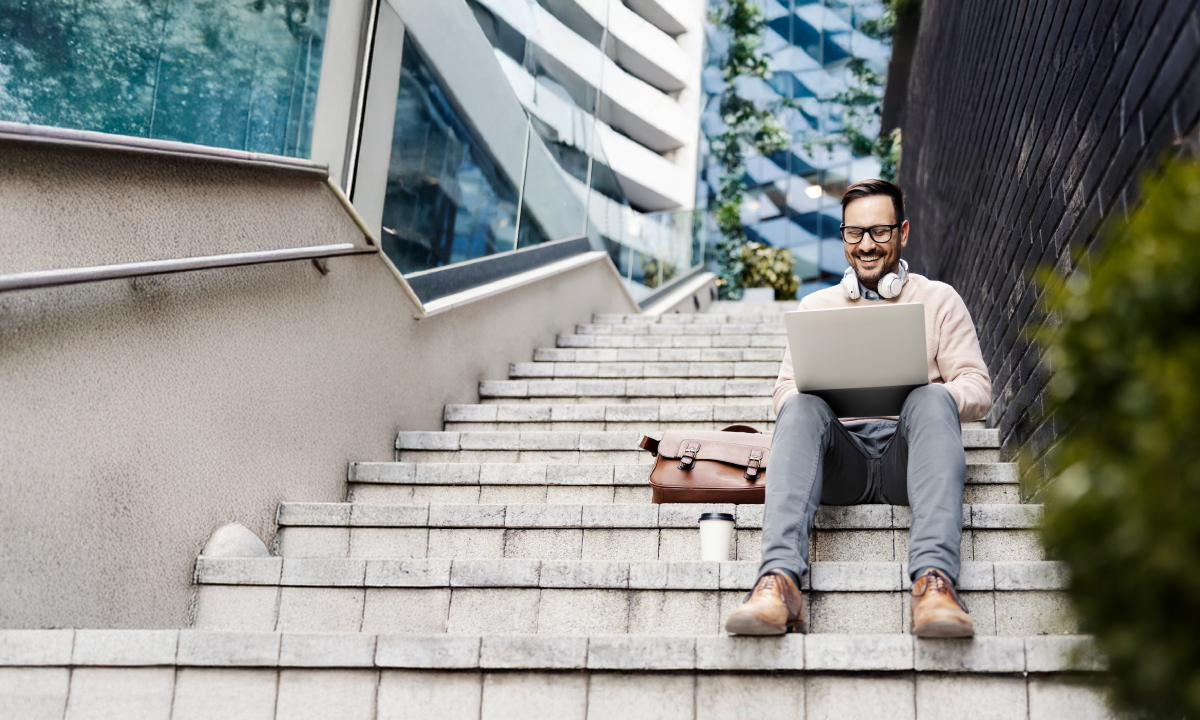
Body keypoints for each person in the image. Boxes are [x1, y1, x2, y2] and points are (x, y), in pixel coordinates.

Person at [724, 179, 992, 637]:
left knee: (932, 396)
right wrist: (827, 393)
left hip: (910, 460)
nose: (866, 245)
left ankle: (934, 585)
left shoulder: (939, 299)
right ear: (844, 236)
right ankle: (778, 583)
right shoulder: (816, 306)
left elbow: (977, 387)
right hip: (839, 463)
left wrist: (930, 394)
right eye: (855, 233)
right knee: (801, 405)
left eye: (880, 231)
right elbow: (784, 392)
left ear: (903, 232)